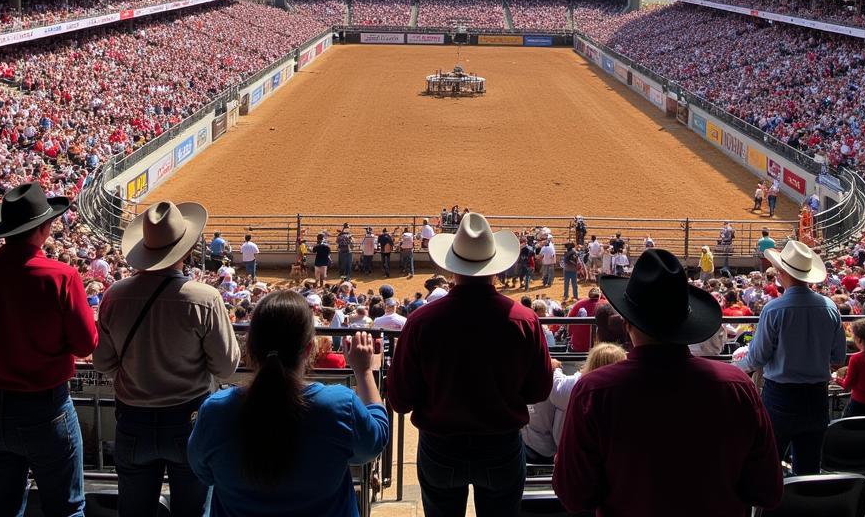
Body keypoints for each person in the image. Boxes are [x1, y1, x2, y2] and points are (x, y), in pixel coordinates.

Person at [553, 249, 782, 517]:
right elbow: (767, 490)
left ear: (627, 323)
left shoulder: (594, 391)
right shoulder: (737, 386)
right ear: (687, 320)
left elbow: (574, 495)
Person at [388, 212, 552, 517]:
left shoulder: (421, 321)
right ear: (495, 267)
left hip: (440, 447)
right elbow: (539, 389)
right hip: (501, 445)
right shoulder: (524, 320)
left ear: (452, 267)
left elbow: (399, 399)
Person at [0, 182, 99, 517]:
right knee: (65, 508)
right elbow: (85, 343)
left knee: (1, 509)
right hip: (46, 409)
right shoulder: (61, 276)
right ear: (45, 228)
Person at [94, 200, 241, 517]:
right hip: (188, 420)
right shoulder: (204, 298)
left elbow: (103, 362)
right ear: (185, 250)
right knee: (193, 509)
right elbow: (226, 366)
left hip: (132, 419)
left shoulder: (114, 296)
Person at [188, 291, 389, 517]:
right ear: (309, 349)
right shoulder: (339, 406)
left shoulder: (215, 411)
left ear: (250, 349)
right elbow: (375, 442)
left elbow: (202, 472)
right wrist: (364, 372)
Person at [738, 240, 845, 475]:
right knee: (808, 468)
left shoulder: (774, 309)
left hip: (781, 396)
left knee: (768, 465)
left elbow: (756, 358)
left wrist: (733, 367)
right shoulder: (830, 307)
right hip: (817, 396)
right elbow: (838, 358)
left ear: (781, 272)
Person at [522, 344, 626, 463]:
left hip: (570, 451)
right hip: (601, 451)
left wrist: (555, 369)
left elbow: (558, 392)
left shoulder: (582, 385)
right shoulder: (618, 390)